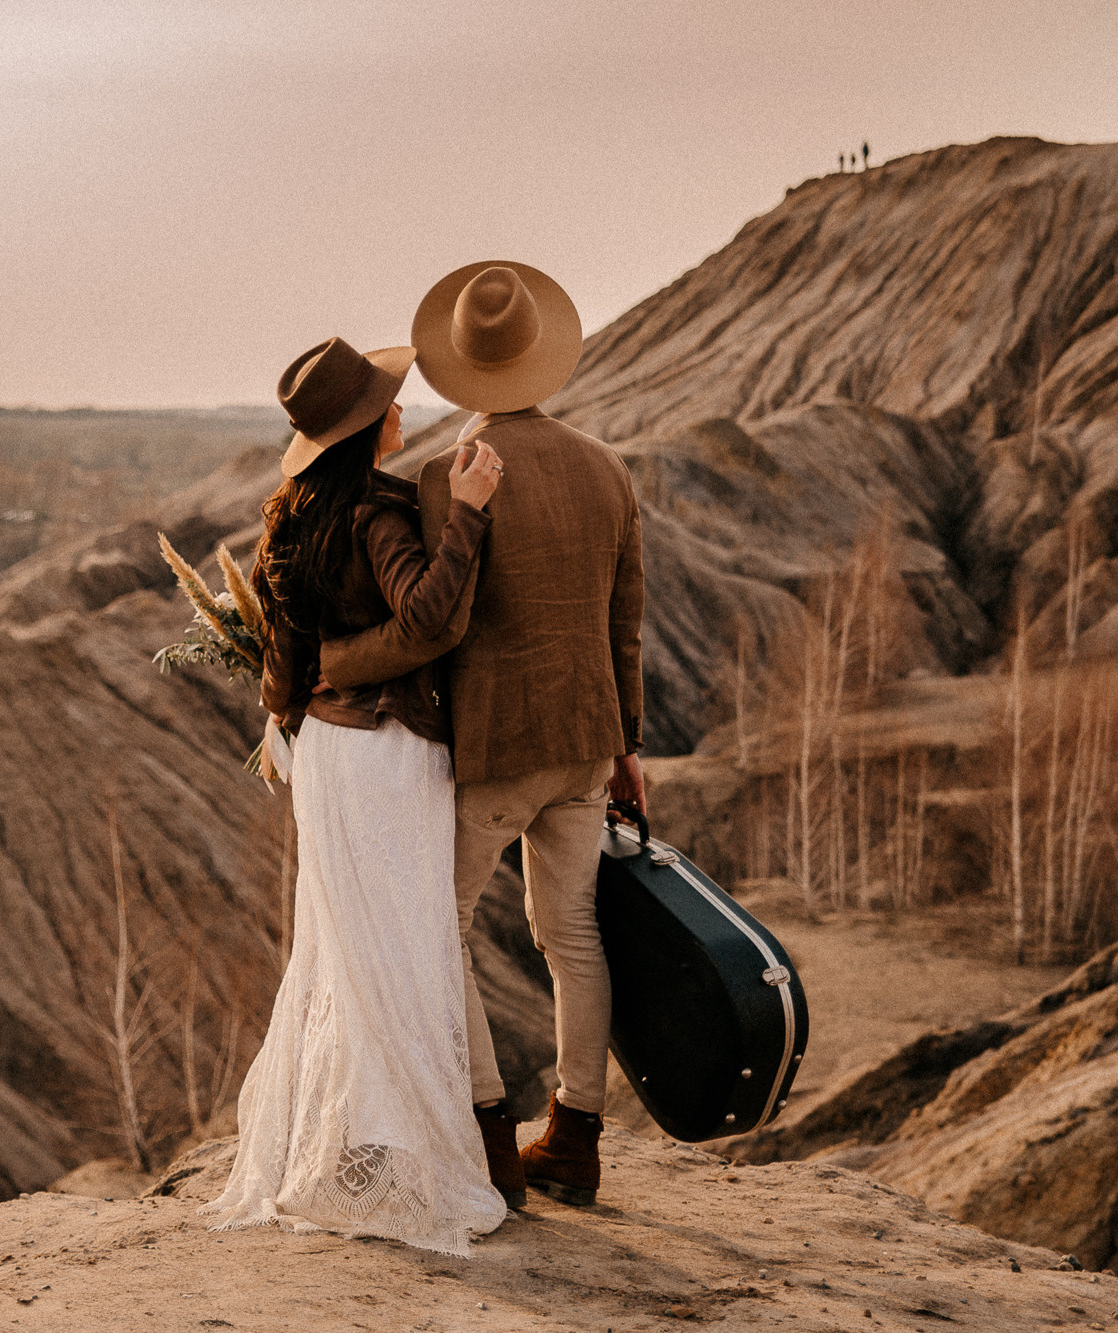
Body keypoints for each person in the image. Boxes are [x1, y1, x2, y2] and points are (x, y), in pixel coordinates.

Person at [318, 261, 646, 1209]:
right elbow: (626, 621)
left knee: (441, 928)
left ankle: (491, 1133)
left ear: (464, 371)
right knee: (572, 934)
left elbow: (438, 619)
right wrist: (627, 747)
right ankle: (575, 1136)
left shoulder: (443, 480)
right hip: (588, 741)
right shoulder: (608, 468)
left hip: (499, 746)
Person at [203, 335, 509, 1255]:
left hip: (326, 759)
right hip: (389, 752)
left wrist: (289, 712)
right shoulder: (379, 514)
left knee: (343, 949)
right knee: (408, 943)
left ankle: (354, 1148)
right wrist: (471, 516)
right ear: (369, 427)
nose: (404, 410)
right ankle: (408, 1151)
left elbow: (280, 671)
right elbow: (424, 618)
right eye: (392, 402)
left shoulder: (287, 518)